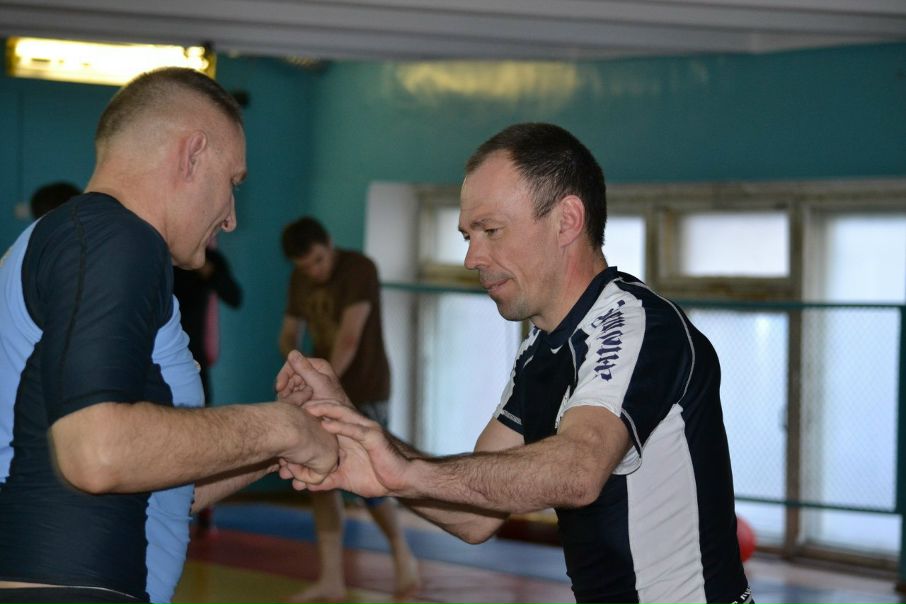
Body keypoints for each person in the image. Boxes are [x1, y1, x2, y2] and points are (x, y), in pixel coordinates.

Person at [281, 123, 754, 604]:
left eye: (491, 231)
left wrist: (406, 473)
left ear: (567, 221)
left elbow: (579, 469)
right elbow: (474, 516)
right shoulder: (539, 352)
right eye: (468, 235)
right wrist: (358, 438)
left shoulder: (638, 325)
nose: (472, 257)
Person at [0, 67, 338, 604]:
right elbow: (97, 453)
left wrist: (277, 447)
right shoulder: (114, 238)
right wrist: (283, 427)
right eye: (233, 183)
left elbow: (150, 490)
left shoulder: (73, 240)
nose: (230, 217)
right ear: (192, 154)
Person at [278, 217, 419, 602]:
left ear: (330, 244)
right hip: (319, 390)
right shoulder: (299, 279)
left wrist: (322, 382)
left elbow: (350, 337)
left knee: (372, 479)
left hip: (365, 387)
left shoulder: (359, 269)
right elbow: (288, 333)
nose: (314, 271)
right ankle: (331, 579)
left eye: (318, 261)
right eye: (305, 266)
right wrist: (296, 364)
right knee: (317, 477)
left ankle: (402, 554)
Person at [174, 244, 243, 536]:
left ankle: (205, 508)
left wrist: (211, 273)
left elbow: (235, 297)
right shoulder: (159, 254)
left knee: (200, 436)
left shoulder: (209, 258)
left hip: (195, 361)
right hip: (156, 360)